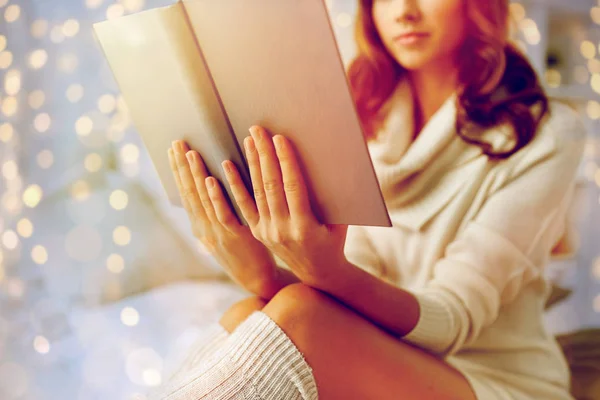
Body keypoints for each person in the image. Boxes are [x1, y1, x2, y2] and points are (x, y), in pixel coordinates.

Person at [152, 0, 586, 399]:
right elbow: (346, 307)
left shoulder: (548, 135)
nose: (405, 11)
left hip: (495, 382)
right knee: (252, 309)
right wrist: (262, 276)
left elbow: (451, 320)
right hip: (388, 358)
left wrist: (328, 272)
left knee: (300, 315)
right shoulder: (361, 120)